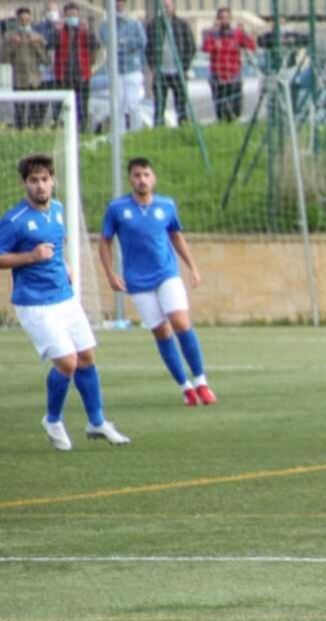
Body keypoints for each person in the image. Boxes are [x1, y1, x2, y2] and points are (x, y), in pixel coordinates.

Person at [0, 154, 131, 451]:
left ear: (53, 180)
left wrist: (65, 265)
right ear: (24, 184)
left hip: (65, 298)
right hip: (35, 304)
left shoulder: (57, 210)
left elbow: (56, 246)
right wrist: (29, 257)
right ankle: (53, 419)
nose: (40, 186)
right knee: (68, 362)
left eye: (44, 179)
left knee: (86, 356)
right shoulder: (14, 221)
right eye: (33, 181)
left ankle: (97, 422)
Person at [99, 157, 217, 407]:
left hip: (166, 274)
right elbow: (104, 242)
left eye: (146, 175)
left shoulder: (166, 205)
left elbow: (176, 236)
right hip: (138, 282)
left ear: (154, 178)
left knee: (181, 323)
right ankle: (186, 388)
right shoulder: (117, 209)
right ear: (130, 179)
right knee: (162, 332)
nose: (142, 180)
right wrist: (110, 274)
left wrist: (192, 267)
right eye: (136, 175)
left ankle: (201, 382)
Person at [99, 0, 147, 133]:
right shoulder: (105, 25)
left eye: (121, 2)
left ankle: (137, 132)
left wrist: (122, 43)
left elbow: (141, 42)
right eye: (116, 3)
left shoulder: (134, 24)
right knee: (118, 104)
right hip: (116, 70)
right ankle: (119, 134)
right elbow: (107, 42)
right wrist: (122, 44)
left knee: (133, 103)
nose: (118, 5)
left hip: (132, 69)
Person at [146, 0, 195, 125]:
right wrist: (153, 66)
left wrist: (185, 66)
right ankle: (158, 129)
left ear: (173, 7)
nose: (165, 9)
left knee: (181, 104)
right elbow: (148, 48)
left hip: (178, 72)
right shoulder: (153, 25)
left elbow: (191, 46)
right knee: (159, 104)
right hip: (161, 72)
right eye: (163, 6)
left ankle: (183, 127)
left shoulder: (182, 25)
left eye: (167, 6)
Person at [201, 7, 255, 123]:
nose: (224, 21)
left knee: (236, 108)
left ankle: (233, 123)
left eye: (226, 18)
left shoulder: (236, 34)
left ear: (230, 19)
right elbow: (206, 48)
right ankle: (223, 126)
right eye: (221, 18)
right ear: (217, 19)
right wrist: (213, 32)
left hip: (233, 74)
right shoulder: (212, 35)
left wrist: (245, 34)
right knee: (220, 109)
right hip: (218, 76)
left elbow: (251, 45)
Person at [53, 2, 98, 133]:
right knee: (64, 104)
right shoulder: (60, 32)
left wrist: (89, 31)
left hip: (82, 73)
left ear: (78, 15)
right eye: (69, 14)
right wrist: (56, 31)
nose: (72, 17)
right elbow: (51, 45)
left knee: (83, 104)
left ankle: (82, 129)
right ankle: (64, 128)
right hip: (64, 75)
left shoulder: (84, 31)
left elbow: (95, 45)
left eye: (74, 14)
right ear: (65, 16)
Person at [2, 7, 49, 128]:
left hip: (35, 80)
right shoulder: (9, 37)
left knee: (36, 111)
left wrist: (37, 44)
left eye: (27, 20)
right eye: (22, 20)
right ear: (18, 21)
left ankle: (35, 130)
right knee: (20, 110)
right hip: (19, 79)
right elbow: (3, 59)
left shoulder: (38, 37)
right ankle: (20, 132)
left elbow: (46, 60)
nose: (25, 22)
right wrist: (12, 45)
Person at [33, 1, 63, 126]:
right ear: (45, 12)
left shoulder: (63, 27)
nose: (52, 13)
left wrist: (58, 31)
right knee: (42, 100)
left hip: (59, 71)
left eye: (54, 10)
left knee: (59, 101)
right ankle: (38, 125)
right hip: (44, 71)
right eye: (49, 10)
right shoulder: (38, 27)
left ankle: (57, 123)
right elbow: (41, 43)